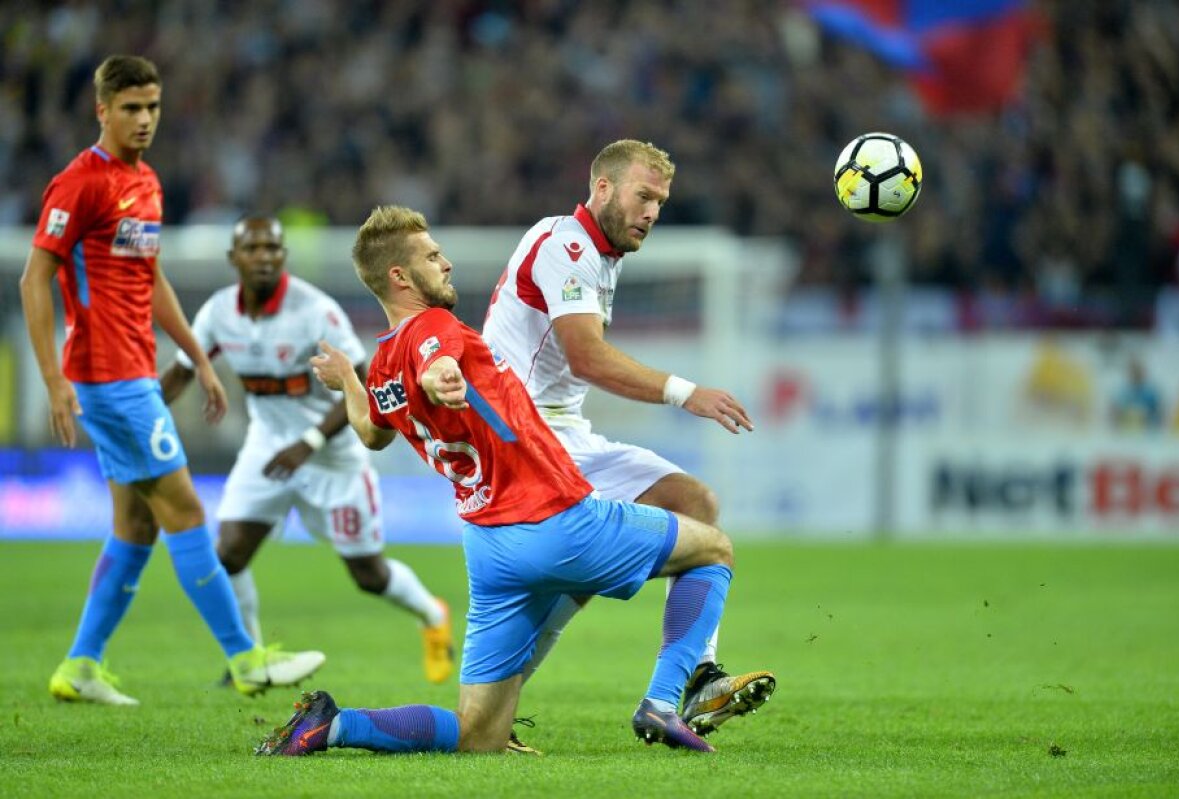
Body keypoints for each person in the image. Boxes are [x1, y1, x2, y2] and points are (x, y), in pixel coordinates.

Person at [257, 205, 743, 756]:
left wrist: (347, 377)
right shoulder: (434, 330)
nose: (446, 262)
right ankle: (663, 701)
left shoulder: (383, 363)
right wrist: (442, 381)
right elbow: (437, 365)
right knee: (713, 547)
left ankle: (333, 725)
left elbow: (371, 432)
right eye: (431, 255)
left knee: (477, 734)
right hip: (556, 518)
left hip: (490, 549)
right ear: (399, 276)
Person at [17, 55, 323, 705]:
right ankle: (246, 659)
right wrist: (54, 380)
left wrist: (198, 356)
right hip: (107, 378)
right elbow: (33, 279)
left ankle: (80, 664)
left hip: (136, 373)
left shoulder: (147, 183)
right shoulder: (79, 183)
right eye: (131, 108)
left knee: (136, 525)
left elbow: (148, 279)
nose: (145, 119)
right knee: (184, 509)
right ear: (102, 110)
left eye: (152, 107)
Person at [480, 139, 773, 735]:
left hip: (560, 435)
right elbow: (586, 358)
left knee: (692, 505)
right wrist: (684, 391)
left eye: (661, 202)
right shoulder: (566, 244)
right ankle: (677, 690)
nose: (652, 213)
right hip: (526, 438)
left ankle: (692, 681)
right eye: (644, 196)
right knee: (670, 528)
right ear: (604, 188)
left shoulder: (599, 253)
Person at [159, 214, 454, 683]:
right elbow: (180, 371)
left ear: (283, 257)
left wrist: (310, 441)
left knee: (368, 575)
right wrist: (139, 415)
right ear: (234, 258)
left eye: (272, 249)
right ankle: (248, 659)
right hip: (268, 450)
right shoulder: (218, 313)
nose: (263, 257)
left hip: (333, 457)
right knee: (229, 553)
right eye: (252, 249)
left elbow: (362, 381)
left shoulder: (315, 311)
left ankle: (433, 615)